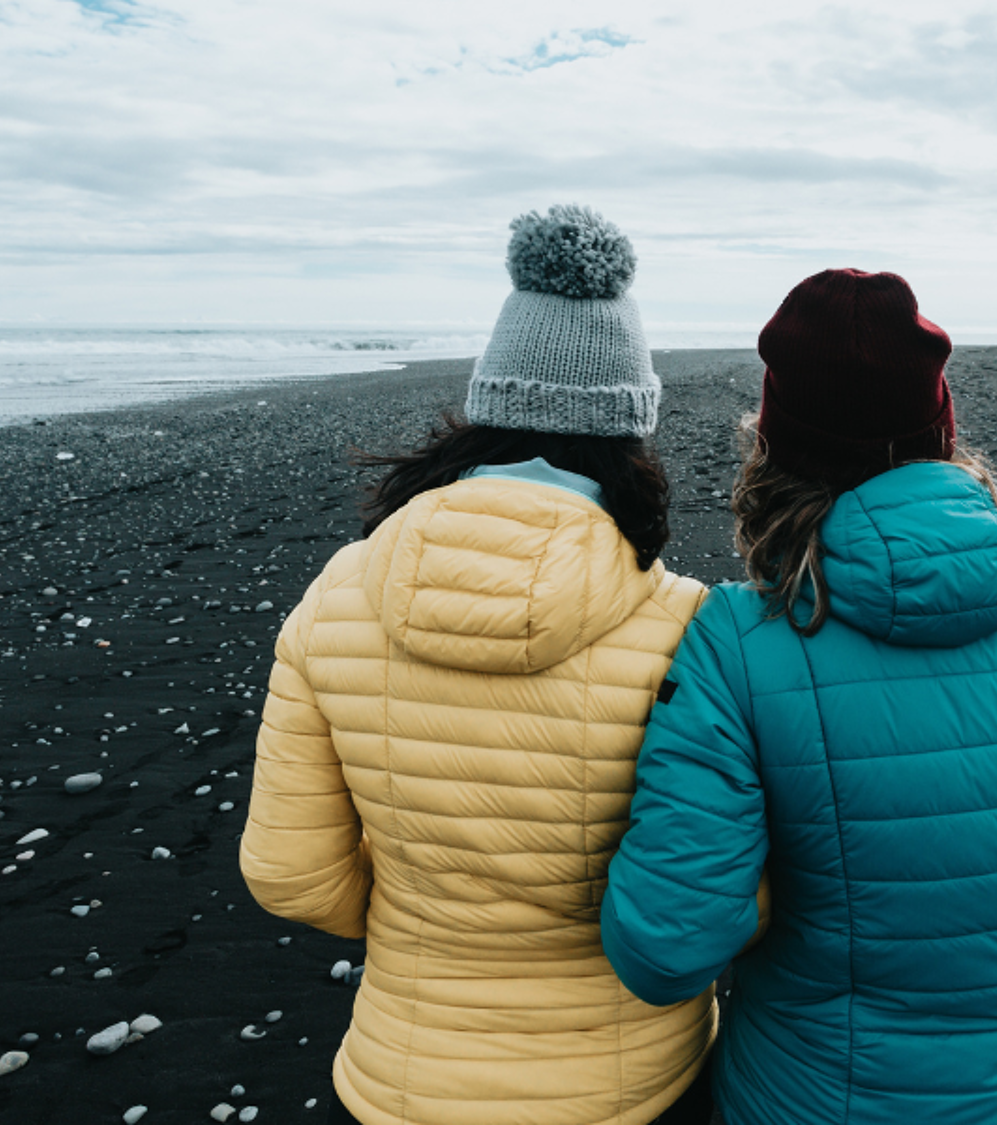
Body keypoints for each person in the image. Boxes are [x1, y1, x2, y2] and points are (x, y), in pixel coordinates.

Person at [600, 269, 997, 1124]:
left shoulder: (737, 640)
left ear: (775, 444)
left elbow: (665, 947)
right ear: (941, 428)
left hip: (807, 1095)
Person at [240, 206, 718, 1125]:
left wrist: (430, 922)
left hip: (401, 1077)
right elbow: (719, 891)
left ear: (486, 406)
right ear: (630, 428)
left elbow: (290, 872)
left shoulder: (338, 592)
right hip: (630, 1084)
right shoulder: (688, 623)